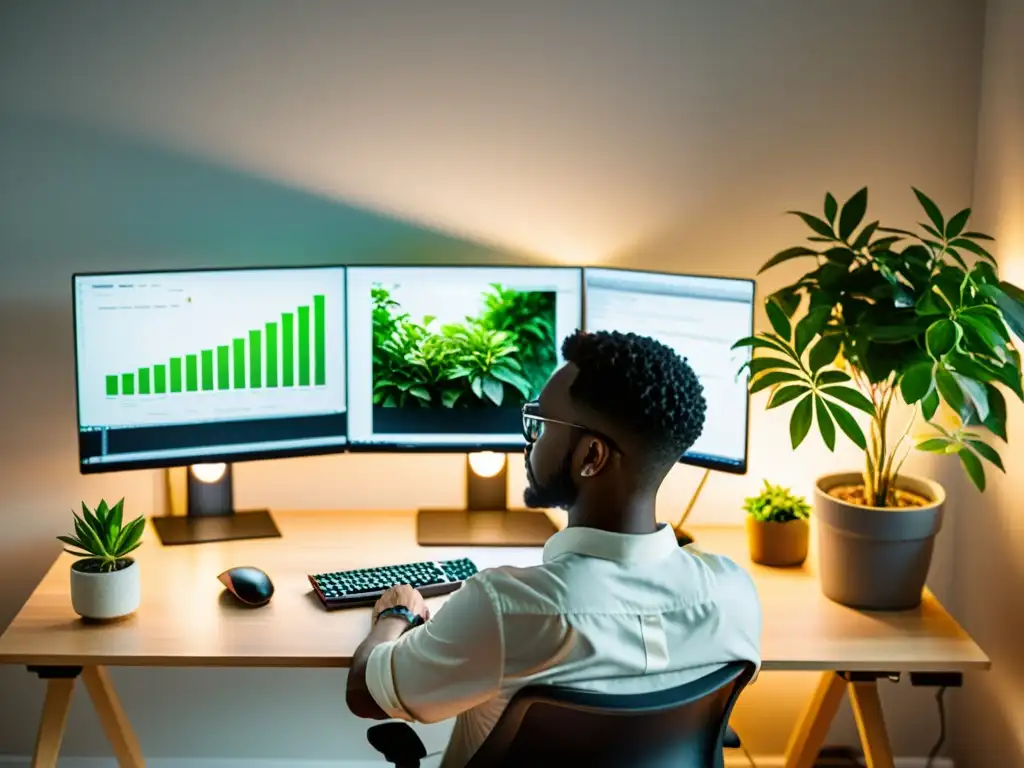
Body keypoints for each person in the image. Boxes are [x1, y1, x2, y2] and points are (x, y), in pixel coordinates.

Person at [346, 329, 762, 767]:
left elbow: (365, 692)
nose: (531, 440)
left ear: (592, 456)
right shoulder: (733, 596)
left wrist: (395, 615)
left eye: (543, 425)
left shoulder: (506, 607)